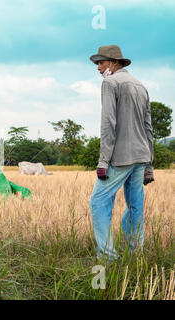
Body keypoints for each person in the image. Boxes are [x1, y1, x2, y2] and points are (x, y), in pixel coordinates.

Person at [88, 45, 154, 260]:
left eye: (101, 62)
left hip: (120, 157)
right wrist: (149, 165)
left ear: (114, 63)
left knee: (97, 202)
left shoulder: (110, 83)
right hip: (141, 156)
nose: (98, 67)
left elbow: (108, 123)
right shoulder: (140, 85)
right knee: (135, 205)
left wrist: (103, 161)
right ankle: (135, 252)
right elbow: (148, 128)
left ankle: (107, 256)